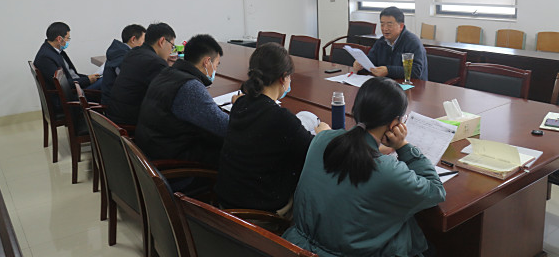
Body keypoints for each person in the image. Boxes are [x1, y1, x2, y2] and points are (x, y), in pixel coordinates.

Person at [283, 77, 445, 257]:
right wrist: (403, 146)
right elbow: (436, 190)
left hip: (294, 247)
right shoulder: (387, 170)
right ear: (394, 124)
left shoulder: (322, 139)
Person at [216, 43, 330, 216]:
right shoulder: (280, 117)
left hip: (226, 202)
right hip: (259, 213)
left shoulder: (240, 103)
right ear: (283, 78)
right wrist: (322, 134)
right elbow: (315, 153)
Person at [136, 34, 232, 167]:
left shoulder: (167, 73)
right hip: (171, 161)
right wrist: (241, 107)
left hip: (153, 149)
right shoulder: (189, 87)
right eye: (216, 65)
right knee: (235, 152)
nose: (215, 69)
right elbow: (224, 127)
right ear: (207, 62)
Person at [107, 22, 175, 126]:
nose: (171, 51)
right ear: (162, 41)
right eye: (172, 46)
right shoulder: (155, 62)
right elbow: (168, 96)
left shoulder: (133, 53)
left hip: (114, 117)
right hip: (130, 123)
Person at [353, 6, 428, 80]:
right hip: (388, 83)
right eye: (382, 25)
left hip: (412, 85)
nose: (385, 29)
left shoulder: (413, 43)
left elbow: (416, 71)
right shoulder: (381, 42)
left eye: (389, 25)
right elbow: (371, 62)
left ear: (401, 26)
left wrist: (388, 71)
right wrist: (361, 65)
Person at [34, 22, 101, 93]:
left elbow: (72, 74)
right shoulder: (45, 57)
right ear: (59, 39)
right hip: (72, 93)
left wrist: (88, 78)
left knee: (103, 79)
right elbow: (62, 84)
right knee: (105, 81)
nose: (68, 41)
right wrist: (87, 80)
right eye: (68, 38)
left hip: (76, 86)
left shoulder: (56, 51)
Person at [100, 24, 146, 106]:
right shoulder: (124, 58)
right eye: (144, 41)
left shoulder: (118, 52)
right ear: (133, 39)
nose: (145, 45)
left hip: (113, 100)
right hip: (115, 105)